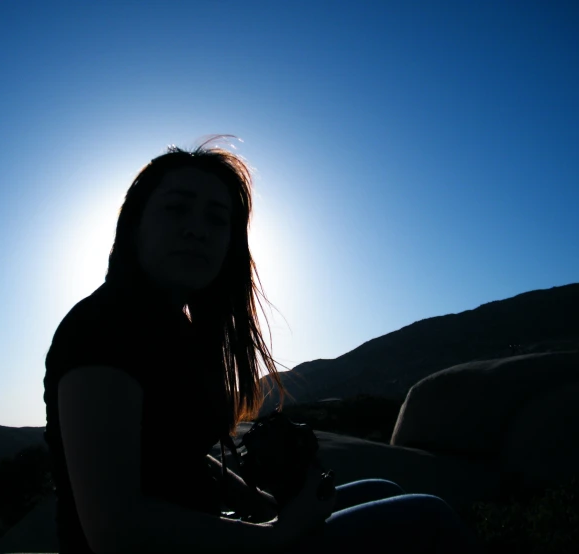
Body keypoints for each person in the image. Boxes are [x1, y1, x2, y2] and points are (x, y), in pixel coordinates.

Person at [43, 136, 485, 553]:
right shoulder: (102, 329)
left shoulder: (171, 330)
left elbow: (181, 459)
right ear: (134, 225)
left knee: (382, 491)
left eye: (217, 219)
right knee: (428, 516)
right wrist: (276, 536)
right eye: (177, 210)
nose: (197, 230)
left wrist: (266, 506)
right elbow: (114, 529)